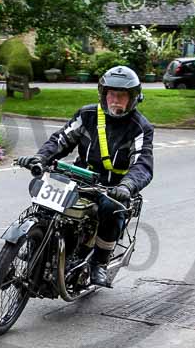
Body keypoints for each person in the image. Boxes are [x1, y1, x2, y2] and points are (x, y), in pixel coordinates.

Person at [16, 66, 154, 287]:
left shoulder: (140, 127)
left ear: (133, 98)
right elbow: (61, 140)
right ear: (103, 94)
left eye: (121, 95)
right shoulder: (87, 115)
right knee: (45, 198)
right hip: (78, 177)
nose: (115, 100)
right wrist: (40, 158)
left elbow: (143, 164)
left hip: (111, 187)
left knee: (112, 208)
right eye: (111, 94)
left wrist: (127, 186)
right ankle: (35, 243)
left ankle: (99, 262)